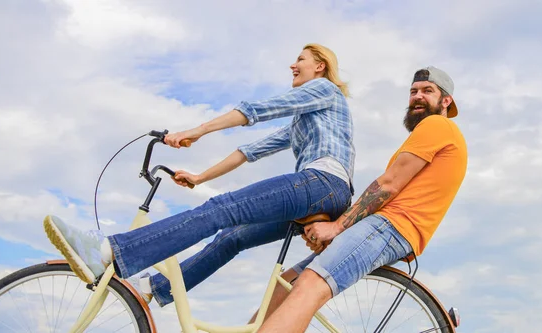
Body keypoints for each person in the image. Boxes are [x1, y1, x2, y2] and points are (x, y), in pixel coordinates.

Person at [43, 43, 356, 307]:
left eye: (300, 59)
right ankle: (152, 288)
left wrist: (198, 130)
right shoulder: (308, 117)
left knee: (221, 209)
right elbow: (250, 150)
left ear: (319, 66)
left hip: (323, 184)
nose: (293, 64)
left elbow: (261, 109)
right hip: (324, 195)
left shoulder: (324, 89)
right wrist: (200, 177)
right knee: (231, 237)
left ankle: (107, 250)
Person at [257, 66, 468, 332]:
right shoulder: (432, 133)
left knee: (309, 286)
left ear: (445, 101)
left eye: (428, 91)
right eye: (413, 91)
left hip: (392, 227)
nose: (417, 96)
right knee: (285, 284)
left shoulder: (437, 125)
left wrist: (337, 227)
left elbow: (388, 185)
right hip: (383, 227)